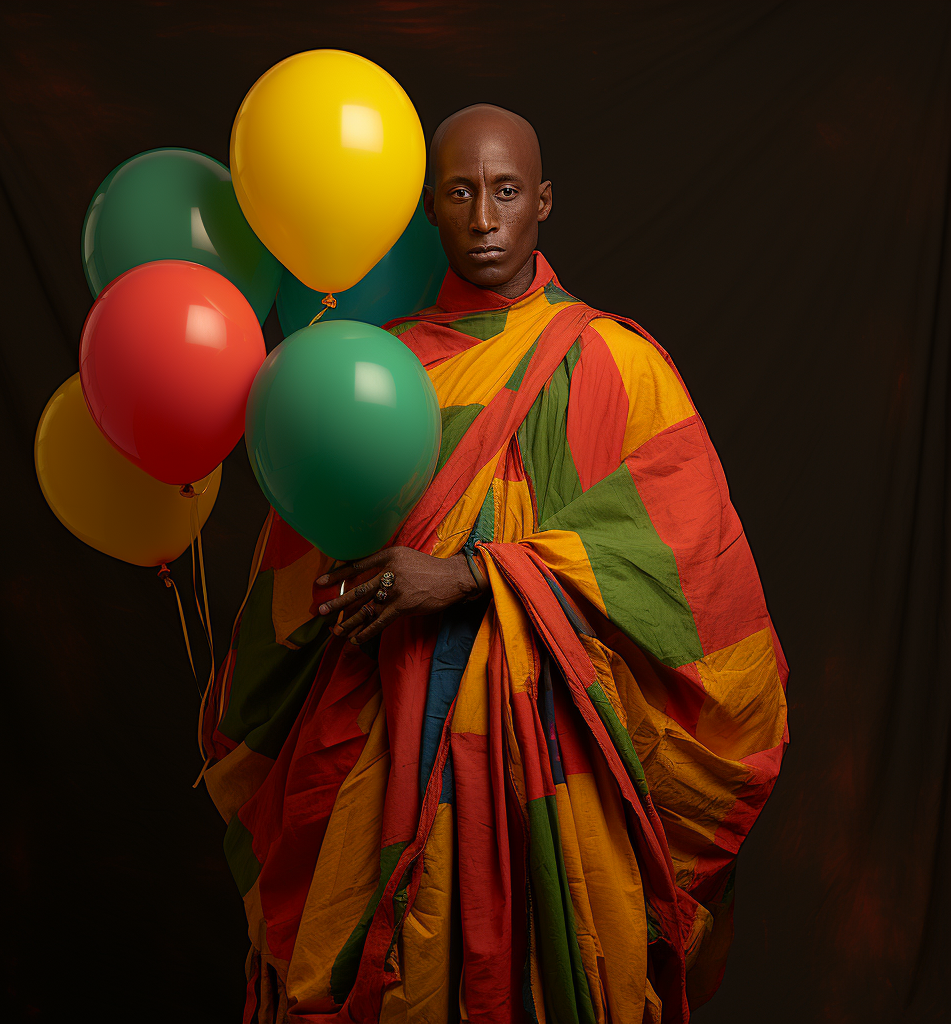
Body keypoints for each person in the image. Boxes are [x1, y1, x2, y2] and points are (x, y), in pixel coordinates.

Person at [200, 103, 788, 1024]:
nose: (485, 219)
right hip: (390, 742)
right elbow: (302, 580)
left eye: (507, 192)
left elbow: (684, 559)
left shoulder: (615, 365)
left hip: (559, 762)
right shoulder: (375, 370)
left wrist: (472, 575)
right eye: (462, 193)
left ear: (543, 201)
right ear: (429, 209)